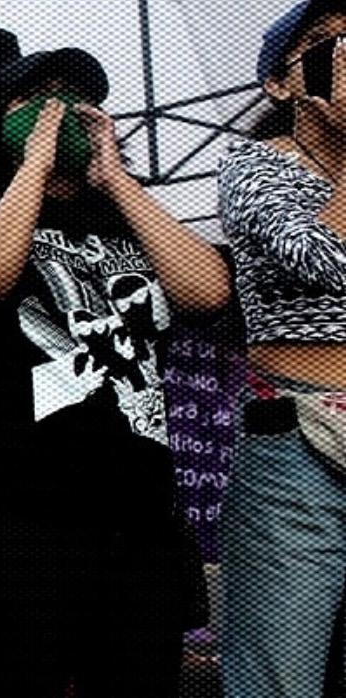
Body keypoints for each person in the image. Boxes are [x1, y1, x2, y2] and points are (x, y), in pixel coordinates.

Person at [0, 48, 229, 697]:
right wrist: (33, 166)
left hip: (137, 521)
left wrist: (117, 180)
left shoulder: (128, 215)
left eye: (74, 95)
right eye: (34, 98)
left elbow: (207, 293)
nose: (58, 109)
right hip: (16, 522)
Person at [218, 2, 346, 695]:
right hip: (299, 444)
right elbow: (323, 258)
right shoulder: (255, 166)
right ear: (279, 82)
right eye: (326, 43)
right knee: (279, 677)